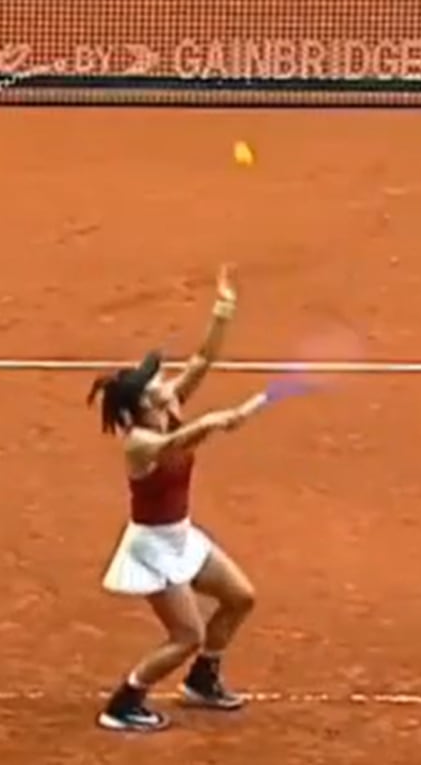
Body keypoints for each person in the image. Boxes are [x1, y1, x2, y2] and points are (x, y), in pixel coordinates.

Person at [87, 266, 266, 733]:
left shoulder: (167, 405)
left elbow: (202, 360)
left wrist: (223, 312)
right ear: (141, 405)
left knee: (240, 597)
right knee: (186, 635)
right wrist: (218, 421)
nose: (163, 382)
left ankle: (203, 680)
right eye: (154, 384)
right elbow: (177, 443)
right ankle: (124, 702)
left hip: (181, 536)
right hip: (152, 548)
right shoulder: (139, 443)